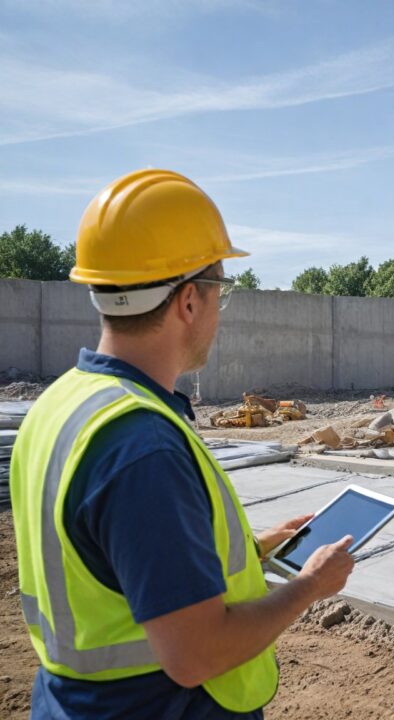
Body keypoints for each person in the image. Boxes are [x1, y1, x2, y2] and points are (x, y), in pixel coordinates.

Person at [10, 169, 354, 719]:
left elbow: (111, 561)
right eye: (220, 291)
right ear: (189, 301)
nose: (220, 311)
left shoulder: (60, 405)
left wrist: (258, 549)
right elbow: (196, 655)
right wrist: (309, 585)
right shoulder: (142, 448)